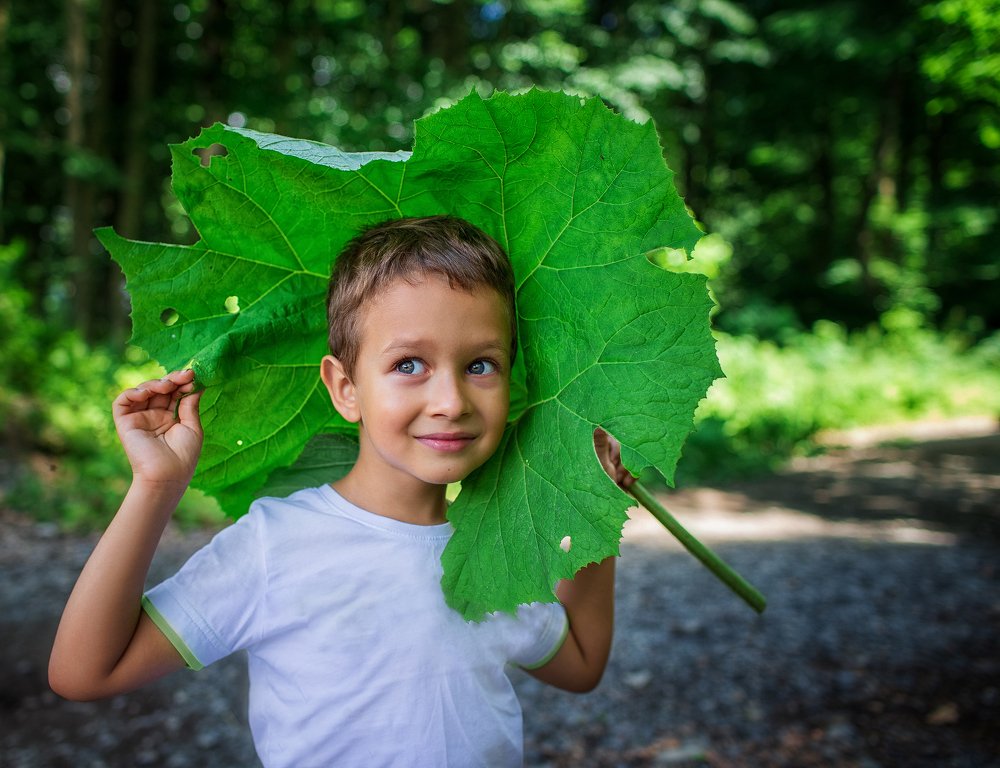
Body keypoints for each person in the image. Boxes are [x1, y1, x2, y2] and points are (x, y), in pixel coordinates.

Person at [49, 215, 633, 767]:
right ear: (345, 387)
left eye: (481, 365)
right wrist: (155, 486)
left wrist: (596, 507)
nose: (451, 402)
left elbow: (580, 666)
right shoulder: (276, 545)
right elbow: (84, 672)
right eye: (409, 365)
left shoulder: (500, 548)